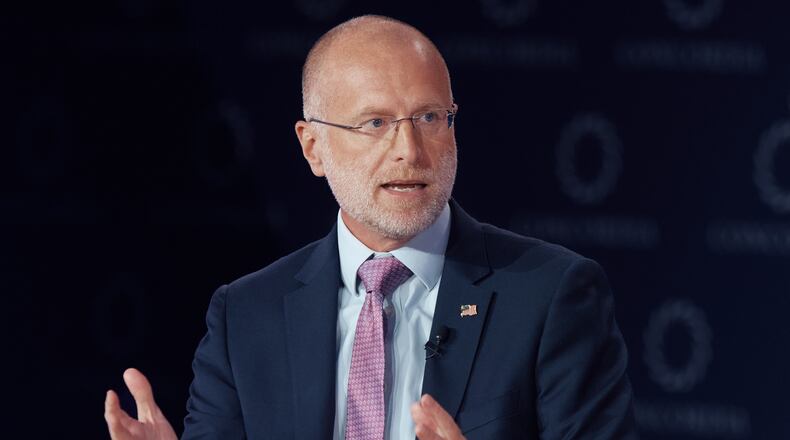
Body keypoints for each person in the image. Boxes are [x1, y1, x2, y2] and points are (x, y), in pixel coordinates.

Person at [104, 15, 637, 440]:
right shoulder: (245, 315)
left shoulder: (552, 295)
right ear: (313, 147)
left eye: (430, 118)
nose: (409, 150)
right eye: (375, 124)